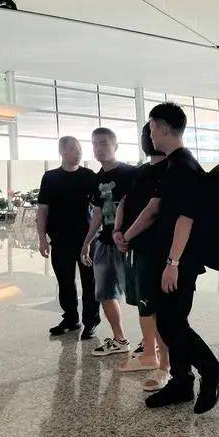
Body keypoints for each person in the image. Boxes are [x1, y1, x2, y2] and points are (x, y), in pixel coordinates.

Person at [133, 102, 219, 415]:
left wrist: (173, 263)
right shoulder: (175, 164)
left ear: (163, 128)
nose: (149, 134)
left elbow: (186, 218)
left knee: (171, 323)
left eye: (151, 128)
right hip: (173, 258)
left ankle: (211, 370)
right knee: (171, 322)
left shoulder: (183, 166)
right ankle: (182, 383)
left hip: (180, 260)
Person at [113, 123, 170, 392]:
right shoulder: (140, 171)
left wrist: (126, 235)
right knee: (143, 304)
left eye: (153, 131)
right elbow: (124, 202)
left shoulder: (171, 169)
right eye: (147, 133)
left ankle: (165, 365)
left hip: (156, 249)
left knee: (157, 307)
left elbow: (153, 210)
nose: (149, 137)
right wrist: (117, 230)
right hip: (135, 249)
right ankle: (149, 352)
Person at [81, 127, 136, 357]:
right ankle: (120, 339)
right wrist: (87, 242)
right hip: (105, 243)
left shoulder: (132, 173)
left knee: (141, 294)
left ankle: (151, 342)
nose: (98, 148)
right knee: (105, 293)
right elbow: (98, 213)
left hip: (129, 243)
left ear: (116, 146)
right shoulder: (97, 178)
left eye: (103, 143)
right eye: (94, 143)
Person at [37, 136, 100, 339]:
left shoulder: (89, 176)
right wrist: (42, 238)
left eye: (80, 148)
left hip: (86, 240)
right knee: (65, 281)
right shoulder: (50, 177)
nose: (78, 152)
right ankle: (71, 319)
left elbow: (99, 209)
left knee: (90, 282)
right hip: (60, 239)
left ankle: (91, 322)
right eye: (73, 149)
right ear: (62, 152)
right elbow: (42, 210)